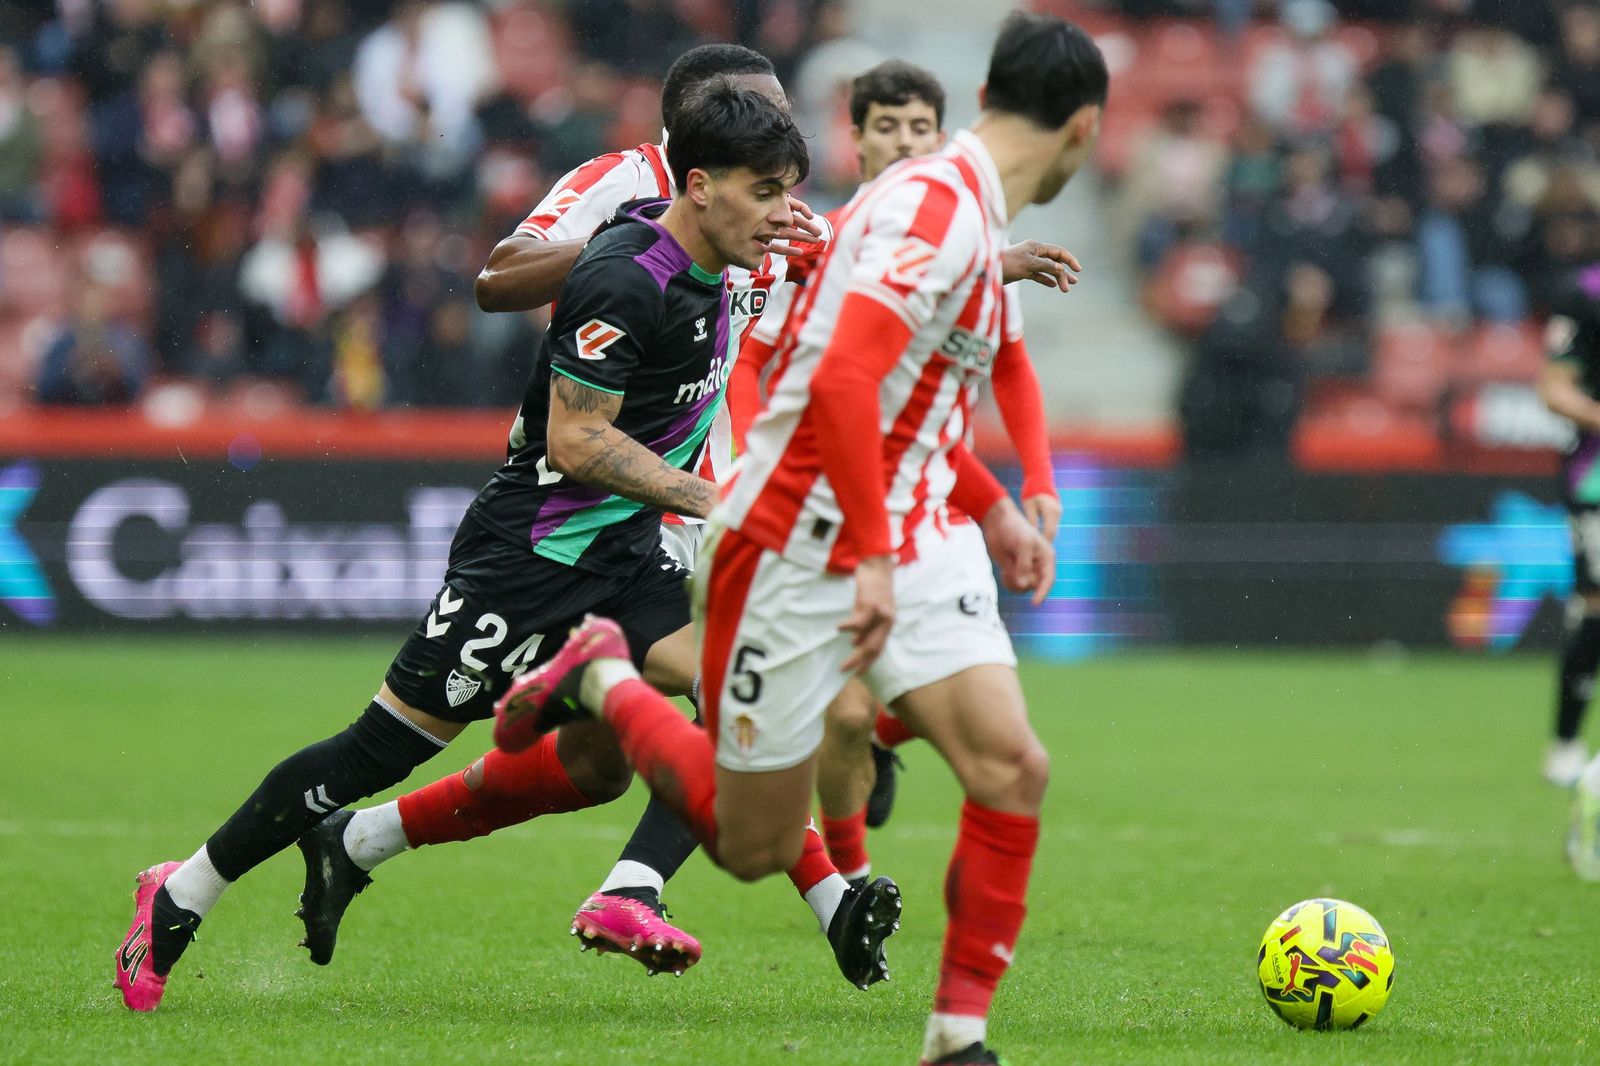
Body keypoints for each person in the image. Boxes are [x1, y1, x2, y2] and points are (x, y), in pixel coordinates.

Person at [309, 43, 1078, 979]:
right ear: (696, 134)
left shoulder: (770, 210)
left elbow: (861, 267)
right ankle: (696, 883)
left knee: (610, 758)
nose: (777, 148)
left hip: (694, 503)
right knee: (742, 695)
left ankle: (366, 843)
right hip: (608, 498)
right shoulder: (624, 182)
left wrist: (994, 262)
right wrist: (644, 240)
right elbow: (496, 279)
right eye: (756, 123)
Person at [112, 81, 864, 1012]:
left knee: (744, 691)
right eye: (764, 192)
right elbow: (575, 440)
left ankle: (658, 890)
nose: (783, 215)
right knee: (374, 751)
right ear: (701, 184)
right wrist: (719, 498)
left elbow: (866, 256)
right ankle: (184, 889)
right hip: (528, 561)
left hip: (624, 558)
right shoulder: (626, 276)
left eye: (789, 190)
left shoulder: (735, 260)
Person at [492, 14, 1105, 1064]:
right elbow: (845, 379)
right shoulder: (933, 209)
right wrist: (870, 554)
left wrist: (999, 504)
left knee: (1011, 767)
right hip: (794, 541)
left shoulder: (941, 210)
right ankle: (605, 678)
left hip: (903, 528)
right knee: (750, 841)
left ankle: (956, 1040)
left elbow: (922, 381)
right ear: (1084, 132)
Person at [730, 58, 1064, 886]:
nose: (906, 141)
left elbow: (1011, 369)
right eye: (888, 126)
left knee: (974, 716)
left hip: (930, 509)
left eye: (921, 127)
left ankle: (855, 878)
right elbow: (755, 362)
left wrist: (1030, 488)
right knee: (822, 736)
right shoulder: (818, 239)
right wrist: (742, 463)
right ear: (857, 137)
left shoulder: (976, 242)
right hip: (823, 503)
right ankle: (848, 878)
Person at [1541, 268, 1600, 801]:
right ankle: (1564, 745)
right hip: (1597, 479)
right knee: (1598, 605)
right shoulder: (1585, 294)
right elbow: (1555, 389)